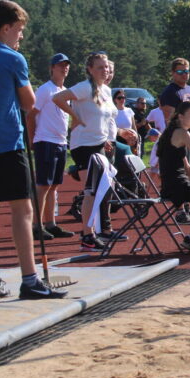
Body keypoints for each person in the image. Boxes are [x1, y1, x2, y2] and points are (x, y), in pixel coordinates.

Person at [0, 0, 66, 299]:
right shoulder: (12, 58)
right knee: (23, 210)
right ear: (5, 28)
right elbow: (29, 102)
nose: (20, 36)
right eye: (18, 30)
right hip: (7, 143)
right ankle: (30, 279)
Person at [52, 52, 118, 252]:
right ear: (90, 69)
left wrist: (107, 137)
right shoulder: (84, 87)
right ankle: (87, 235)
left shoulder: (105, 90)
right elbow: (58, 98)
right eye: (99, 67)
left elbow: (106, 117)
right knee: (91, 191)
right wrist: (75, 117)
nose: (104, 70)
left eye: (106, 67)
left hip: (99, 144)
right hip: (84, 146)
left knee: (104, 187)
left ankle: (95, 231)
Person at [26, 53, 75, 242]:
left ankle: (50, 224)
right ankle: (35, 225)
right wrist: (32, 139)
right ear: (52, 68)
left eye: (66, 65)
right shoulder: (45, 90)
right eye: (60, 65)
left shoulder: (66, 92)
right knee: (43, 185)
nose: (64, 68)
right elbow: (31, 115)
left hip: (61, 142)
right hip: (45, 141)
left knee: (54, 185)